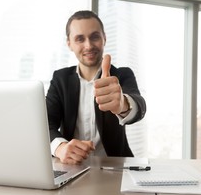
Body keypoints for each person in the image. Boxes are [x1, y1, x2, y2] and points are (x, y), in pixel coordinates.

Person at [46, 10, 146, 165]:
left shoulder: (122, 74)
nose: (89, 45)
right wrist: (60, 147)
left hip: (116, 168)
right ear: (69, 44)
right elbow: (46, 123)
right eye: (80, 39)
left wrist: (123, 104)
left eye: (95, 37)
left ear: (104, 38)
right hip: (71, 167)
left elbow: (139, 106)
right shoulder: (60, 79)